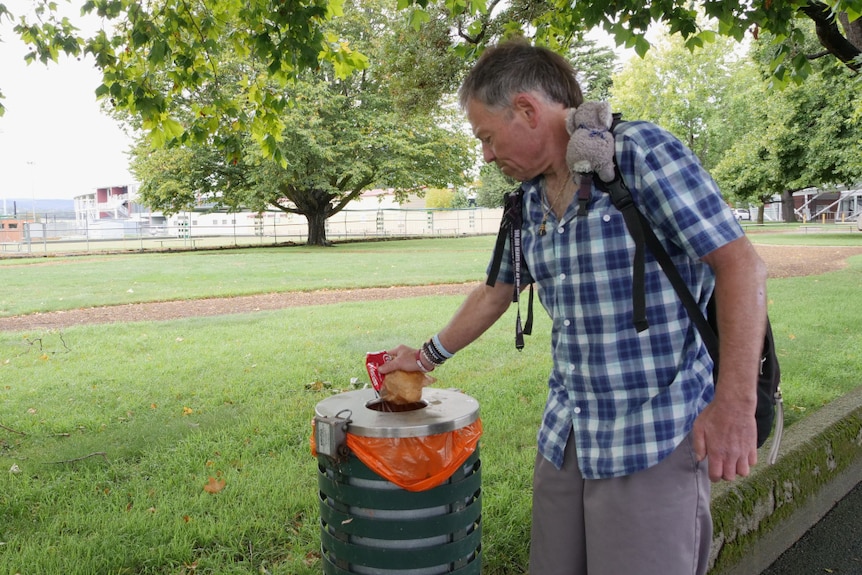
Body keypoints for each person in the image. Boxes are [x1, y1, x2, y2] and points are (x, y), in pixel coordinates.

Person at [378, 39, 768, 575]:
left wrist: (734, 406)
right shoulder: (528, 199)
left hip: (652, 433)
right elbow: (496, 292)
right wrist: (422, 359)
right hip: (567, 434)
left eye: (487, 137)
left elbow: (740, 266)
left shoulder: (639, 153)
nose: (486, 155)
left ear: (527, 109)